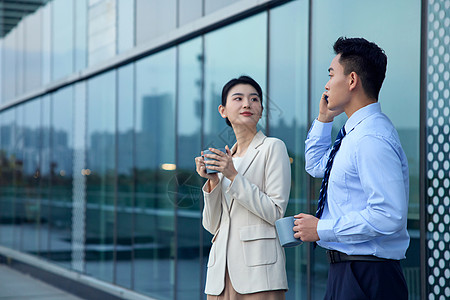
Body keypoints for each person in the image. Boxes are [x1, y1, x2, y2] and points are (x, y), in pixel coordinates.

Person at [293, 37, 410, 300]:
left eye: (331, 73)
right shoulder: (353, 135)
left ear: (352, 80)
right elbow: (315, 166)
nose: (326, 84)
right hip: (348, 270)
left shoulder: (371, 138)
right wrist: (324, 119)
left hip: (368, 274)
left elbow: (388, 214)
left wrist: (321, 229)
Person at [195, 75, 291, 299]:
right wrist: (213, 181)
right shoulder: (225, 160)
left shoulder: (272, 147)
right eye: (238, 98)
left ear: (261, 109)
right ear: (223, 110)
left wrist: (233, 175)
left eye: (254, 99)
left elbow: (276, 212)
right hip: (220, 274)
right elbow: (211, 226)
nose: (247, 104)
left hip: (260, 273)